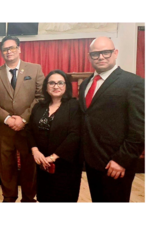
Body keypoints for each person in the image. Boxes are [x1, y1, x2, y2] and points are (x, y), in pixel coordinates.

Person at [79, 36, 145, 202]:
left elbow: (140, 128)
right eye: (96, 54)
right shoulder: (85, 84)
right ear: (89, 57)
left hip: (116, 164)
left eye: (106, 52)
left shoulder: (133, 83)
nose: (101, 57)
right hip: (92, 162)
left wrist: (122, 160)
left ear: (115, 53)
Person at [0, 36, 44, 202]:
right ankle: (9, 196)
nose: (8, 51)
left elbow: (41, 97)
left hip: (28, 129)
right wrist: (7, 119)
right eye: (5, 49)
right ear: (1, 52)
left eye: (12, 48)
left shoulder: (35, 69)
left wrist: (23, 119)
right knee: (6, 166)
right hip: (5, 129)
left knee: (29, 165)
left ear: (19, 49)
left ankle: (28, 198)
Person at [26, 70, 82, 202]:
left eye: (60, 83)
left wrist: (53, 157)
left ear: (66, 86)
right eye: (51, 83)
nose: (56, 86)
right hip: (42, 163)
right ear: (46, 86)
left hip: (65, 164)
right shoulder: (39, 106)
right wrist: (35, 151)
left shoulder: (74, 106)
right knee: (44, 197)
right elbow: (29, 130)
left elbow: (75, 135)